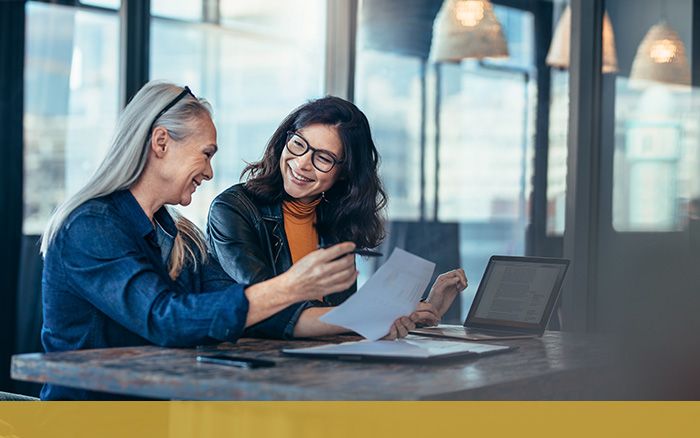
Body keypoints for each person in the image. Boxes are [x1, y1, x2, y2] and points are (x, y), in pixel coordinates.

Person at [39, 82, 361, 400]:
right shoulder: (90, 227)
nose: (209, 172)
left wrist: (362, 322)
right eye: (206, 154)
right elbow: (164, 319)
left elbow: (252, 313)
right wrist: (290, 286)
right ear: (161, 142)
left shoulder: (181, 239)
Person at [207, 96, 468, 339]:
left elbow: (341, 316)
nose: (302, 163)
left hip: (319, 363)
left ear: (344, 173)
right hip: (252, 365)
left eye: (323, 158)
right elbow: (266, 305)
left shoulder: (338, 220)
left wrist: (418, 310)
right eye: (298, 144)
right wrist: (371, 318)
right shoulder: (233, 208)